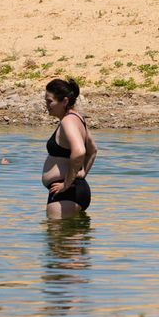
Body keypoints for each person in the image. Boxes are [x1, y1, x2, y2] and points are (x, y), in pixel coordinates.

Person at [41, 78, 96, 220]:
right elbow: (93, 150)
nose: (46, 105)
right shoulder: (78, 118)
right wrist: (82, 173)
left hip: (66, 194)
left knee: (56, 239)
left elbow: (80, 152)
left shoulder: (68, 121)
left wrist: (66, 184)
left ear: (64, 101)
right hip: (76, 191)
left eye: (50, 101)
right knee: (69, 240)